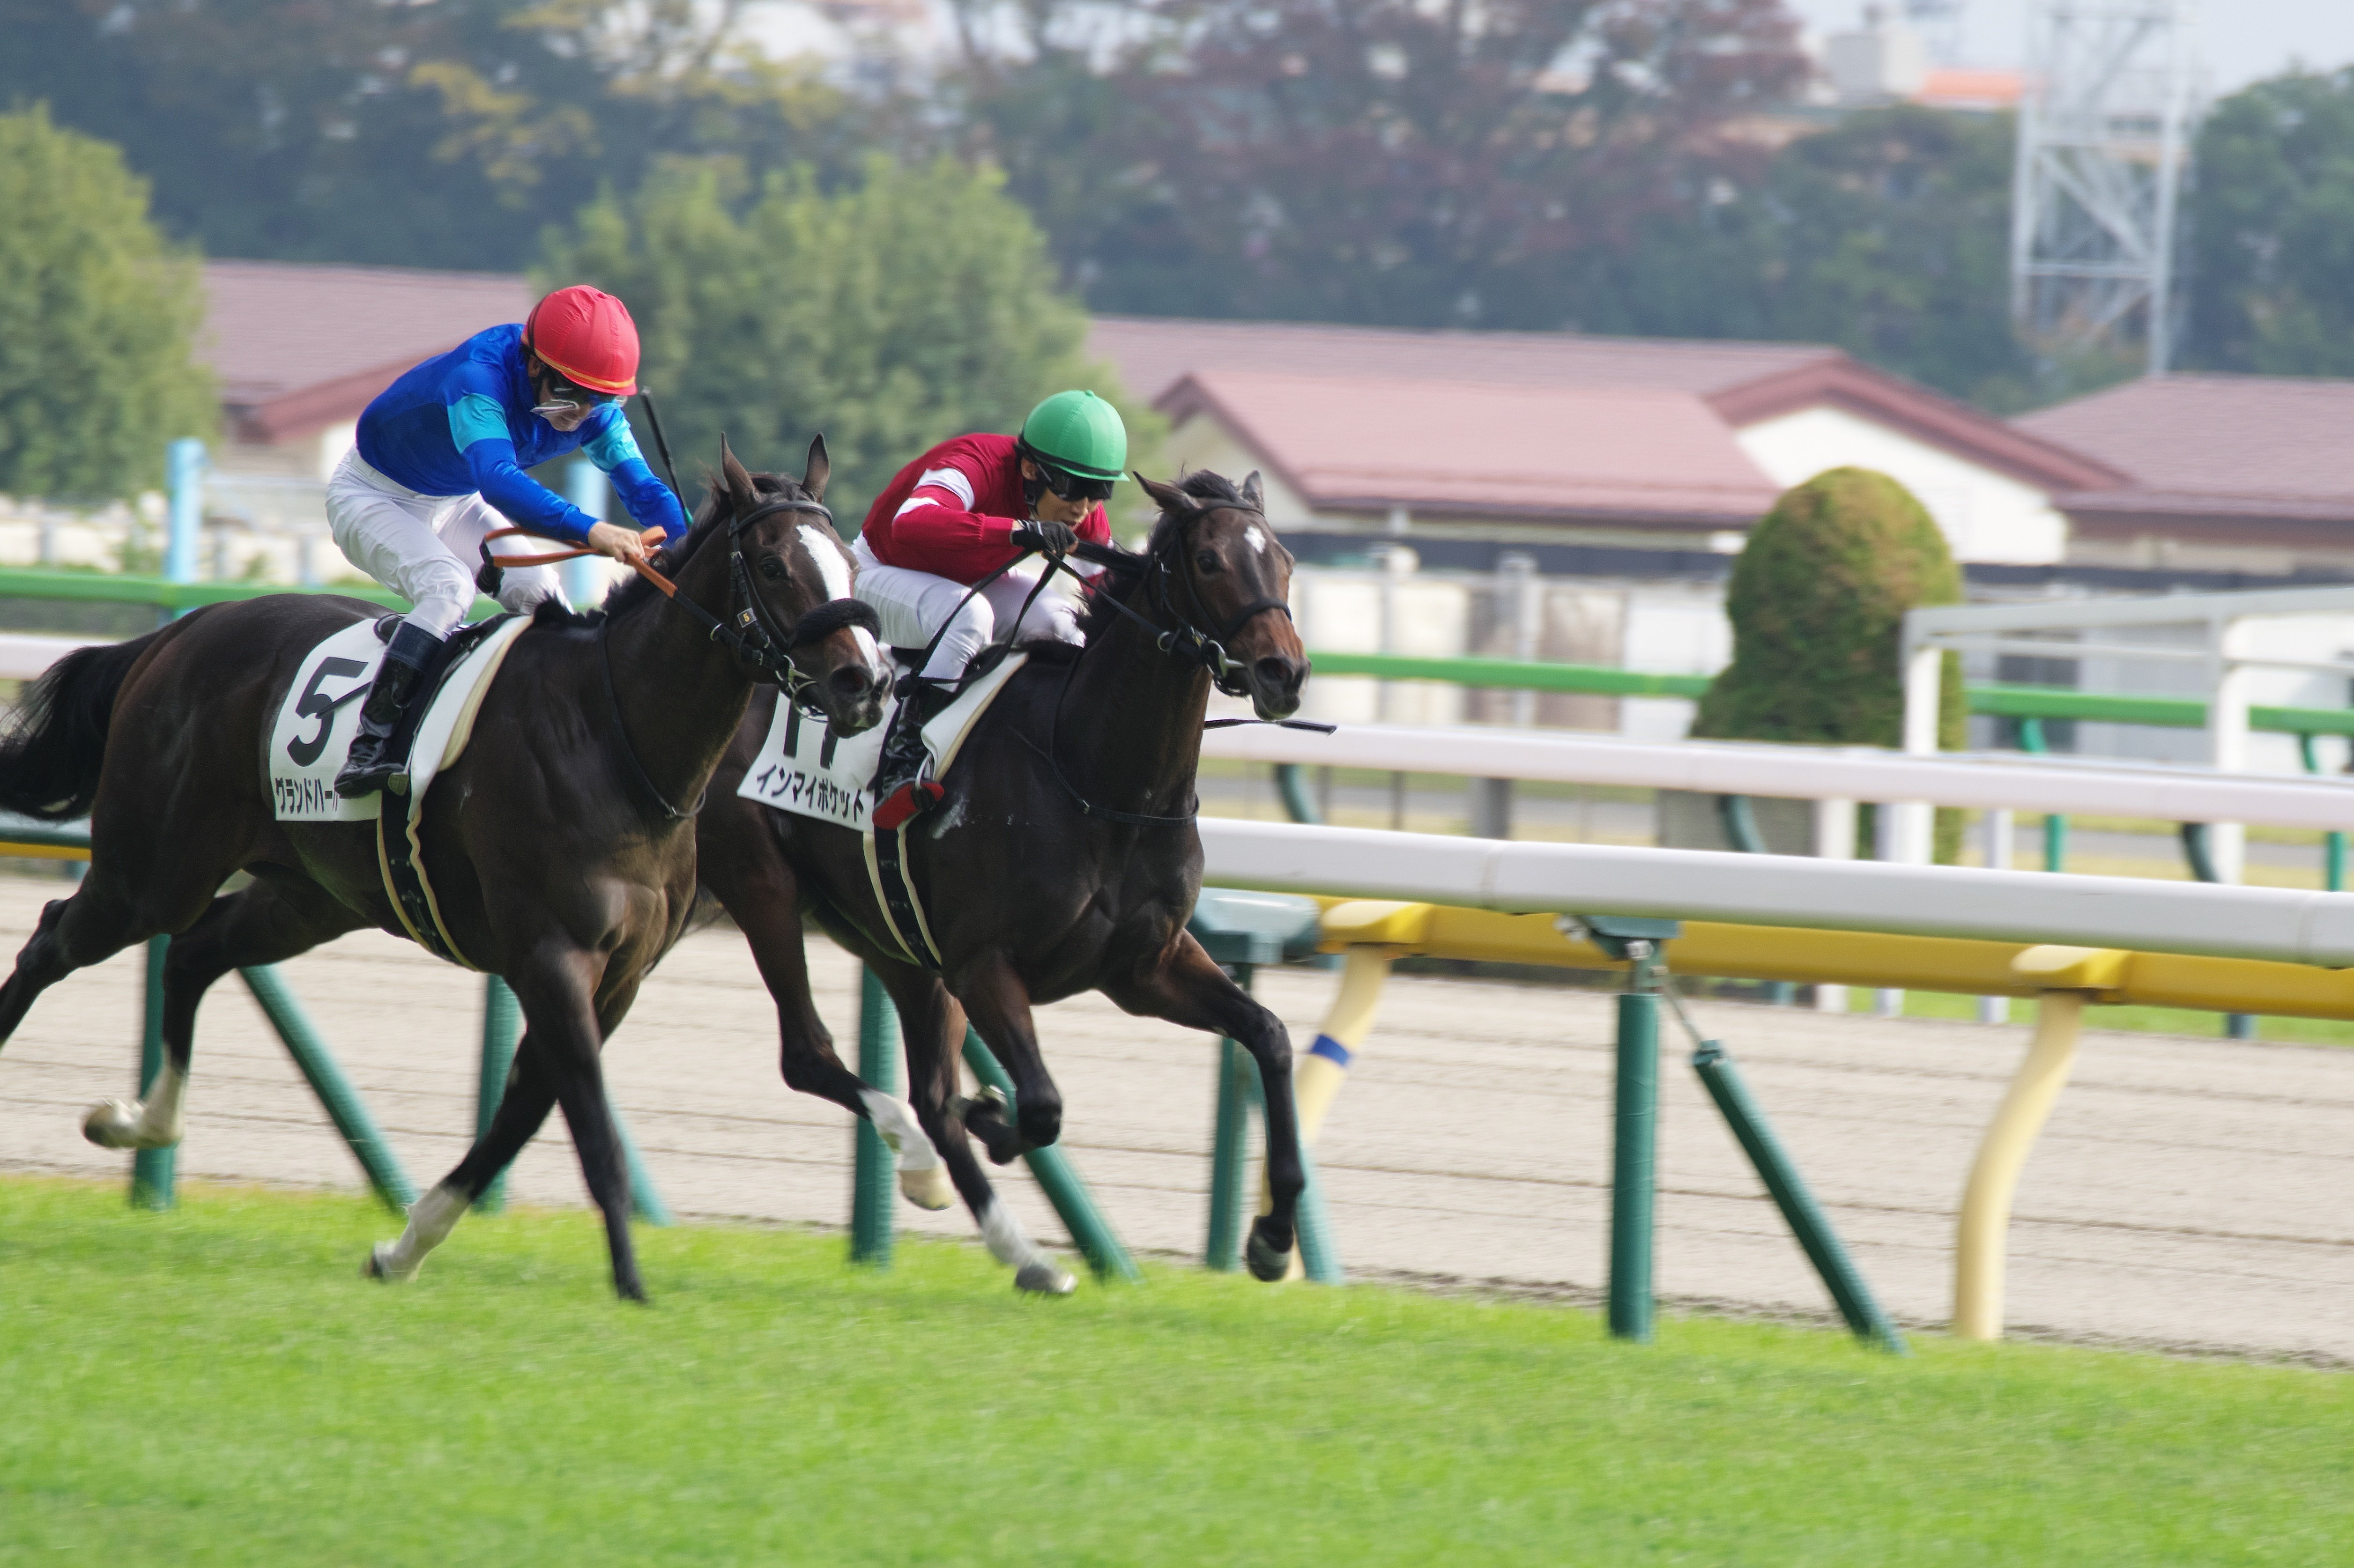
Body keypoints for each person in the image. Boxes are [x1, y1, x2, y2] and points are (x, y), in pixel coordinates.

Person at [324, 284, 690, 798]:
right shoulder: (478, 378)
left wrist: (693, 550)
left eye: (600, 399)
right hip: (371, 495)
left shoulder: (594, 410)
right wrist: (593, 530)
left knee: (545, 598)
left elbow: (646, 492)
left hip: (453, 501)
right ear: (535, 365)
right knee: (449, 589)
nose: (582, 413)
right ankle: (370, 745)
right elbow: (497, 480)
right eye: (572, 394)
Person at [854, 389, 1127, 826]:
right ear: (1030, 468)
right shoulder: (975, 462)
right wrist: (1018, 531)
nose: (1082, 507)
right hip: (879, 574)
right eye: (1072, 488)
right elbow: (910, 522)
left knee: (1063, 626)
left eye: (1098, 492)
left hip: (966, 583)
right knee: (971, 616)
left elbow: (1107, 597)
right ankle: (904, 758)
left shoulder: (1080, 512)